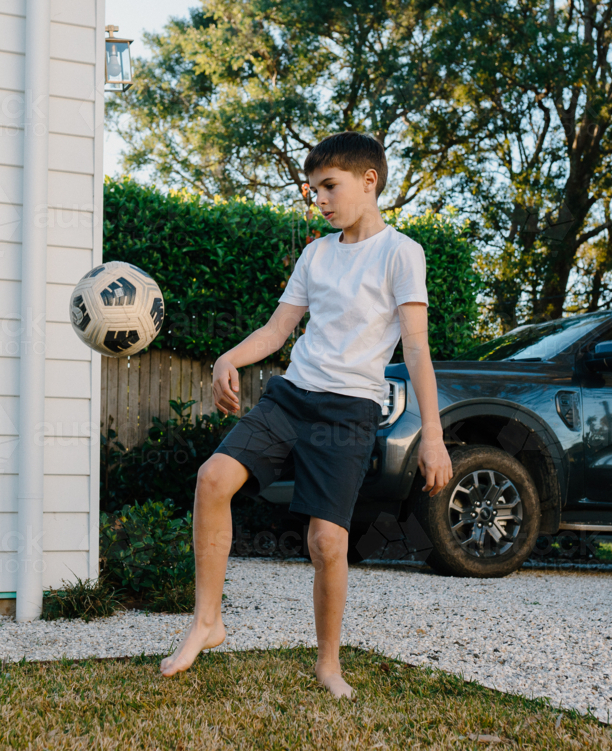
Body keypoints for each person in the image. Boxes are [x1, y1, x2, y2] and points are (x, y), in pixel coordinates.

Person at [158, 131, 453, 699]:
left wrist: (433, 438)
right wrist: (228, 358)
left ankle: (327, 662)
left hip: (349, 410)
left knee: (326, 543)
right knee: (213, 478)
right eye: (312, 188)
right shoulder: (316, 253)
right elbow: (277, 330)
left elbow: (415, 348)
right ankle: (207, 622)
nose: (318, 198)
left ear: (369, 181)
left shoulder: (400, 253)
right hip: (292, 394)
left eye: (328, 186)